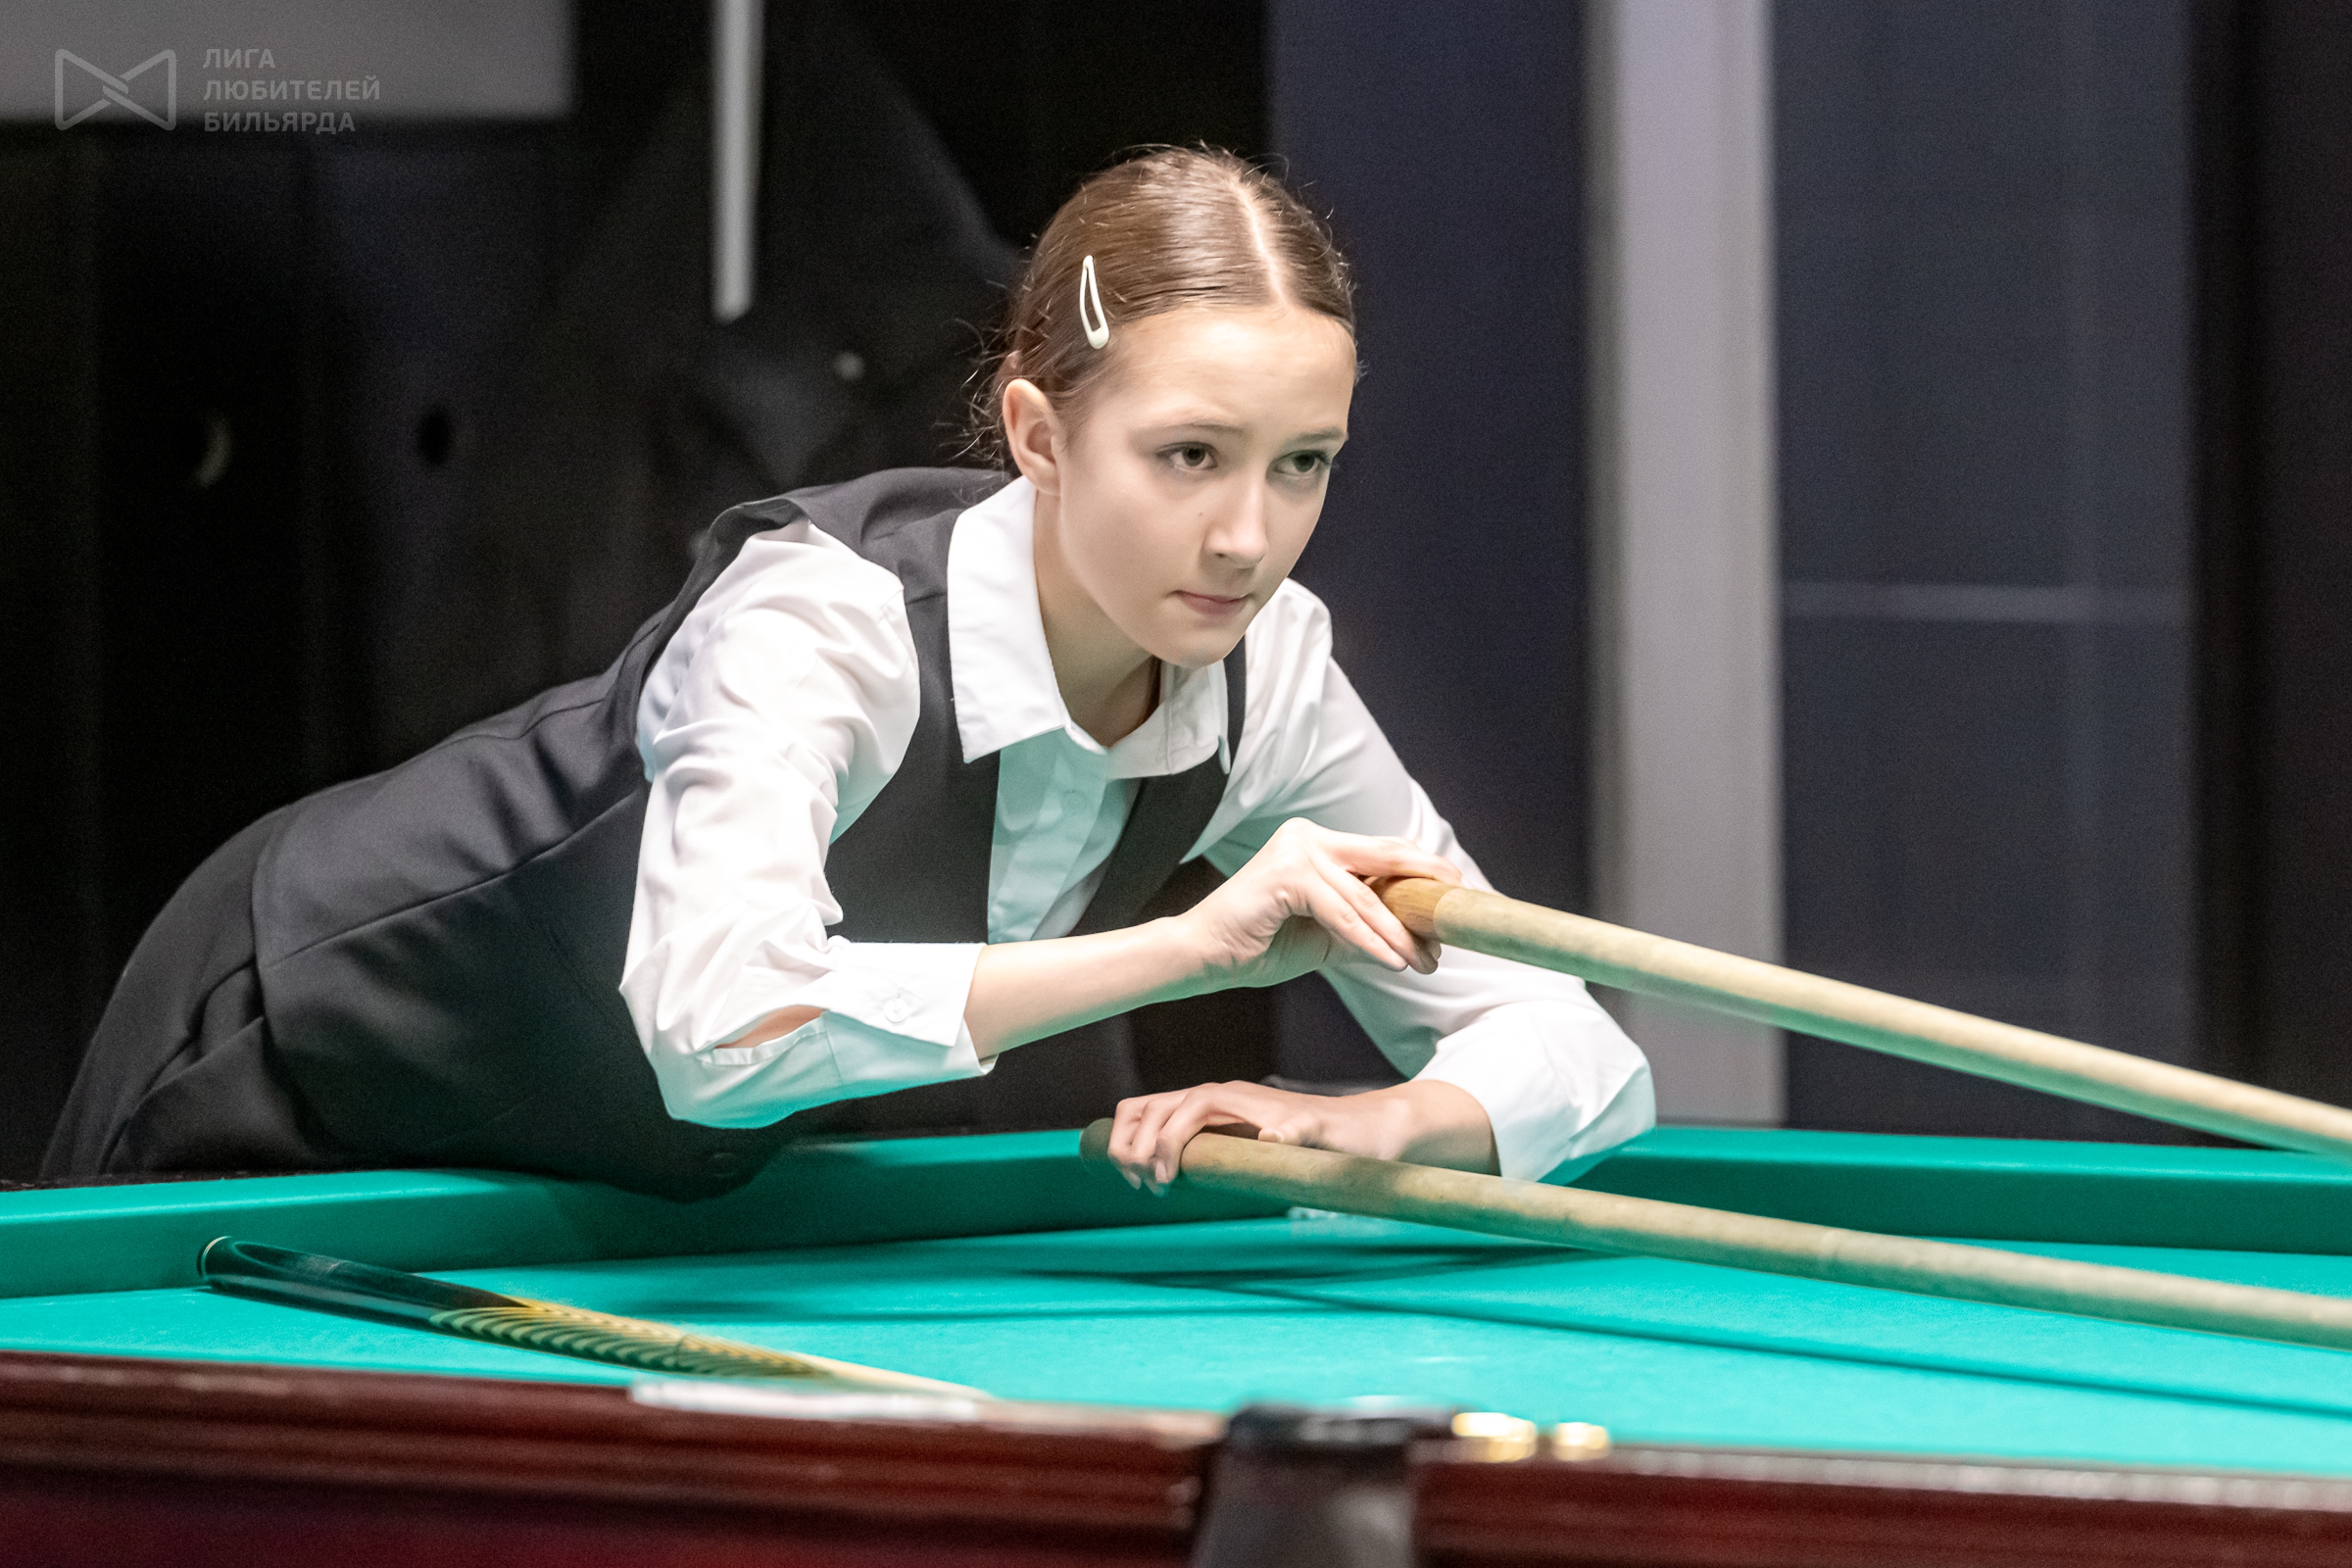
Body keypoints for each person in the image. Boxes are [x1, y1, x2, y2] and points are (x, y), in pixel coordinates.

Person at [45, 148, 1652, 1201]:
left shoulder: (1268, 676)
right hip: (313, 1046)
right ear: (1038, 434)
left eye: (1303, 463)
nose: (1248, 536)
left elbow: (1574, 1047)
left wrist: (1378, 1121)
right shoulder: (821, 620)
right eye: (1189, 455)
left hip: (615, 1180)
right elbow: (724, 1026)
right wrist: (1187, 952)